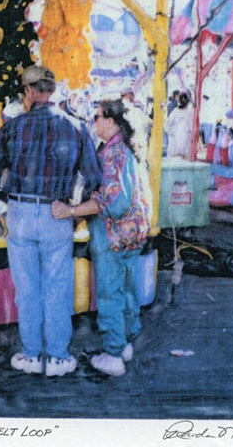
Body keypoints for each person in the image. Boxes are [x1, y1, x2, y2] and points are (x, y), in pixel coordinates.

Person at [0, 65, 101, 377]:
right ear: (52, 90)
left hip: (19, 215)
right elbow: (94, 178)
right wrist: (72, 212)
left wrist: (5, 204)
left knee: (27, 289)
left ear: (30, 92)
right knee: (57, 288)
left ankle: (31, 354)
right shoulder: (76, 127)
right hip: (56, 213)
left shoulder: (11, 127)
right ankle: (58, 358)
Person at [52, 99, 152, 376]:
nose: (93, 122)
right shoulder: (126, 149)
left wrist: (70, 211)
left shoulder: (113, 154)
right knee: (127, 292)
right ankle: (125, 345)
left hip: (113, 235)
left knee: (110, 295)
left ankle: (113, 355)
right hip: (134, 234)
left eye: (96, 117)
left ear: (110, 121)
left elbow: (113, 201)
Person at [165, 91, 194, 160]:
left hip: (175, 144)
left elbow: (167, 125)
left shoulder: (175, 111)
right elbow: (191, 127)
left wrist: (171, 133)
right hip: (185, 144)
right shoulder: (189, 113)